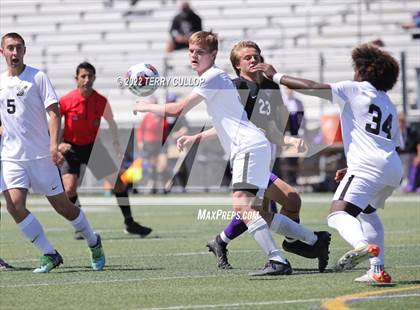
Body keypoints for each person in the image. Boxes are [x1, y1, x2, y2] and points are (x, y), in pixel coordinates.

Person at [134, 31, 329, 276]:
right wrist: (196, 136)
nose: (194, 55)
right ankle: (314, 240)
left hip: (248, 147)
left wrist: (145, 106)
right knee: (257, 213)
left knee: (243, 207)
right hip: (251, 147)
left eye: (200, 52)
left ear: (213, 55)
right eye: (191, 51)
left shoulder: (213, 76)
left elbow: (176, 109)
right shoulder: (218, 79)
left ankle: (277, 259)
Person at [252, 43, 402, 283]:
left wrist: (276, 75)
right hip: (392, 167)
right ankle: (377, 270)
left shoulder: (354, 88)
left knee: (337, 215)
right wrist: (354, 167)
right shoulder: (387, 102)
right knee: (369, 213)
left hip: (368, 166)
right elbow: (390, 142)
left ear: (363, 70)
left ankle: (362, 246)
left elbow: (312, 87)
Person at [195, 40, 330, 272]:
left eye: (256, 55)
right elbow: (225, 123)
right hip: (247, 156)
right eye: (247, 57)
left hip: (263, 155)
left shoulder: (272, 87)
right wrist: (196, 138)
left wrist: (288, 139)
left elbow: (272, 129)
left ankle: (223, 241)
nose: (254, 59)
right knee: (259, 208)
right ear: (237, 65)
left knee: (278, 204)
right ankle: (289, 250)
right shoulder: (235, 87)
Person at [0, 32, 105, 273]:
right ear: (2, 52)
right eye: (10, 48)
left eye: (19, 48)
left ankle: (93, 240)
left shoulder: (37, 77)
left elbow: (55, 112)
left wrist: (53, 145)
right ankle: (50, 253)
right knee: (14, 206)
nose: (14, 53)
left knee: (63, 207)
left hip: (40, 156)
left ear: (24, 51)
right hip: (11, 157)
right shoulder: (1, 82)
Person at [59, 62, 152, 238]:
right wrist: (57, 145)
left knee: (118, 184)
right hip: (71, 148)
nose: (87, 80)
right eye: (83, 76)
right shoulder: (65, 100)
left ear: (94, 77)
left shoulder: (101, 101)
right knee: (69, 189)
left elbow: (111, 122)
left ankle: (130, 222)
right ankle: (81, 226)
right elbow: (54, 123)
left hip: (94, 148)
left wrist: (117, 143)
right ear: (76, 78)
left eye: (90, 76)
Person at [136, 96, 169, 193]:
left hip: (161, 143)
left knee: (163, 165)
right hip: (150, 143)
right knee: (152, 166)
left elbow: (167, 129)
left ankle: (162, 184)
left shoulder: (163, 116)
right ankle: (152, 184)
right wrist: (140, 141)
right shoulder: (147, 117)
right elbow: (140, 130)